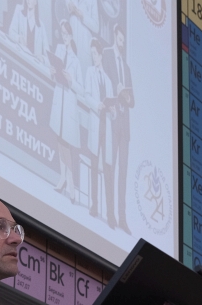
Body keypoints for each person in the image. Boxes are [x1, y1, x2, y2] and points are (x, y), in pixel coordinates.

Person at [102, 23, 135, 233]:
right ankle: (110, 215)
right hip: (111, 119)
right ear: (115, 36)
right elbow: (103, 82)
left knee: (122, 172)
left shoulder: (127, 67)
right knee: (110, 167)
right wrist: (116, 90)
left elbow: (133, 101)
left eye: (124, 42)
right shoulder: (106, 55)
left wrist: (127, 97)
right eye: (120, 40)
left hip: (124, 125)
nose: (122, 45)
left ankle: (122, 218)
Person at [49, 20, 83, 203]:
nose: (64, 37)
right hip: (59, 101)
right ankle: (63, 178)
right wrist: (53, 71)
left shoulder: (76, 60)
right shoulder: (59, 50)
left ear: (71, 35)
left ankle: (70, 184)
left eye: (66, 34)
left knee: (65, 144)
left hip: (69, 104)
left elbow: (80, 88)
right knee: (59, 139)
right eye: (62, 33)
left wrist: (71, 80)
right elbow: (53, 74)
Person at [84, 39, 114, 225]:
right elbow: (87, 96)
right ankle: (94, 205)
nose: (93, 57)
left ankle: (110, 214)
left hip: (106, 126)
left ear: (101, 55)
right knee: (94, 167)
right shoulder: (89, 72)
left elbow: (113, 109)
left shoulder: (108, 80)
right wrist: (98, 105)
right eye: (92, 54)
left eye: (95, 54)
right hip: (96, 123)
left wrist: (112, 109)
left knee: (108, 170)